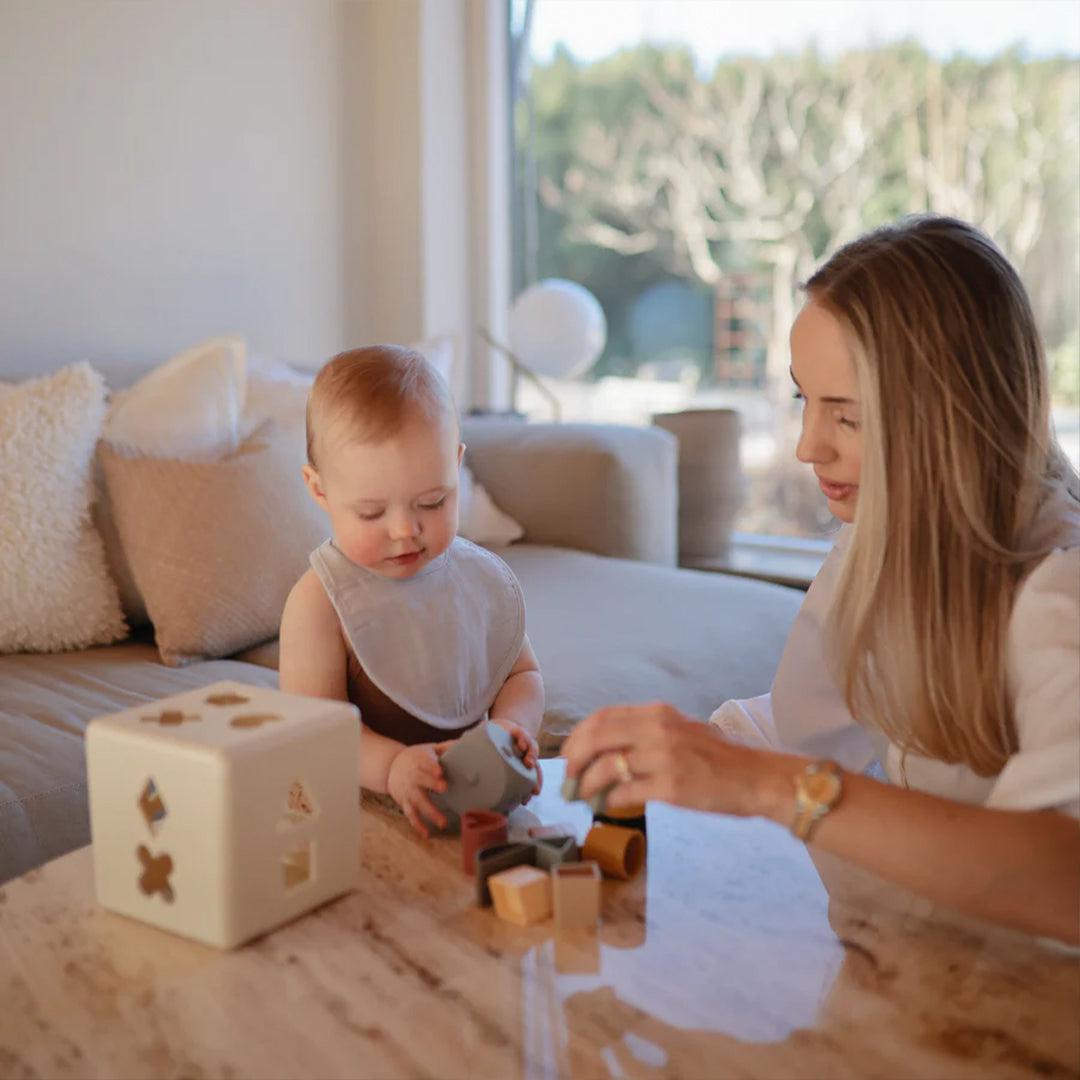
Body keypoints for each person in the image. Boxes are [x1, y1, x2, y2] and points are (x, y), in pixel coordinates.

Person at [562, 215, 1080, 944]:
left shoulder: (1058, 594)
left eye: (848, 417)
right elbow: (806, 719)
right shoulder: (875, 547)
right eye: (804, 400)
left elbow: (1064, 878)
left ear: (953, 417)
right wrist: (680, 752)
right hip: (900, 960)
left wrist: (765, 784)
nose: (808, 447)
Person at [279, 345, 544, 836]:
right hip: (359, 814)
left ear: (456, 466)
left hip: (472, 803)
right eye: (371, 512)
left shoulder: (478, 580)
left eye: (432, 501)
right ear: (319, 490)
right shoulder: (319, 604)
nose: (405, 530)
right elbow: (315, 730)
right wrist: (390, 767)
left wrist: (514, 727)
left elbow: (522, 673)